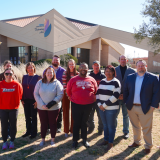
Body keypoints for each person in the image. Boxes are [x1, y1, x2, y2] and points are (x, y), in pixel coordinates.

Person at [123, 60, 160, 155]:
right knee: (135, 126)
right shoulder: (130, 77)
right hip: (132, 107)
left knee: (146, 128)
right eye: (139, 66)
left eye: (142, 65)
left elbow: (157, 93)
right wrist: (127, 103)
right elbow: (125, 91)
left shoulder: (153, 78)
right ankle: (137, 142)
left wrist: (153, 106)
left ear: (146, 66)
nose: (140, 67)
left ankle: (148, 146)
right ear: (136, 67)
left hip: (146, 107)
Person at [67, 63, 97, 149]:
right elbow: (68, 90)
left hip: (88, 105)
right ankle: (75, 140)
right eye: (81, 68)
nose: (83, 69)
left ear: (88, 69)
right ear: (78, 69)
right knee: (76, 123)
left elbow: (95, 90)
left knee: (85, 122)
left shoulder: (92, 79)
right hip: (76, 104)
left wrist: (91, 98)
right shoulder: (73, 79)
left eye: (85, 68)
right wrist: (72, 97)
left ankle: (84, 139)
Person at [34, 67, 63, 146]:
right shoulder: (40, 82)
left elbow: (60, 94)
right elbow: (36, 93)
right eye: (48, 72)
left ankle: (52, 140)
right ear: (45, 74)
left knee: (53, 123)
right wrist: (42, 104)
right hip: (41, 107)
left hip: (54, 108)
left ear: (53, 74)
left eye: (51, 72)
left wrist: (51, 104)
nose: (49, 74)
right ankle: (43, 140)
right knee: (43, 123)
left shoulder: (57, 83)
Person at [96, 65, 121, 152]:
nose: (108, 73)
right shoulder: (102, 81)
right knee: (105, 125)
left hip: (112, 109)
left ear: (113, 72)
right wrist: (99, 104)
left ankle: (110, 143)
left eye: (110, 71)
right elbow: (97, 93)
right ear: (104, 72)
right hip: (101, 108)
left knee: (111, 126)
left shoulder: (116, 82)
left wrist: (104, 105)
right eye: (106, 71)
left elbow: (116, 96)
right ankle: (105, 140)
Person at [0, 68, 23, 150]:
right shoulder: (0, 84)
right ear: (4, 75)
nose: (9, 75)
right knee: (4, 126)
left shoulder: (17, 85)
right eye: (7, 74)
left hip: (13, 109)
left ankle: (12, 141)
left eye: (10, 74)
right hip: (2, 109)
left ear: (13, 75)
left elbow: (20, 96)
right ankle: (5, 142)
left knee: (13, 125)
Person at [115, 55, 135, 139]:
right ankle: (113, 130)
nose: (123, 61)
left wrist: (126, 95)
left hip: (127, 97)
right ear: (119, 60)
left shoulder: (132, 71)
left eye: (124, 59)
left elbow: (134, 85)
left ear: (126, 60)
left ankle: (126, 131)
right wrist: (117, 94)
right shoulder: (114, 70)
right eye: (121, 59)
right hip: (115, 97)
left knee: (126, 115)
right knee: (114, 115)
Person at [43, 55, 65, 133]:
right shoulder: (46, 70)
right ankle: (48, 126)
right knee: (48, 110)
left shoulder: (63, 71)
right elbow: (44, 81)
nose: (55, 61)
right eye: (54, 60)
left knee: (59, 110)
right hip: (48, 94)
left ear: (59, 62)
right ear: (52, 61)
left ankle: (58, 127)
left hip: (59, 94)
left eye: (57, 60)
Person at [21, 62, 41, 139]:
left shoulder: (38, 77)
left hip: (34, 100)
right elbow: (22, 89)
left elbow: (40, 90)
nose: (30, 69)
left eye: (31, 67)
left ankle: (34, 132)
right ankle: (28, 131)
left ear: (34, 68)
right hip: (25, 100)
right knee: (27, 116)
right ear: (26, 69)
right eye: (28, 67)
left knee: (33, 116)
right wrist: (22, 99)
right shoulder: (24, 77)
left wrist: (37, 101)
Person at [87, 60, 105, 135]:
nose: (96, 67)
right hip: (91, 99)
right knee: (90, 115)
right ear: (92, 66)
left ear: (99, 66)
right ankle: (91, 128)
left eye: (97, 65)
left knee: (100, 115)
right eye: (95, 65)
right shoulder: (89, 76)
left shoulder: (103, 76)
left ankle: (100, 129)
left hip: (100, 99)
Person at [62, 59, 78, 138]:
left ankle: (72, 130)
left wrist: (72, 95)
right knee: (65, 112)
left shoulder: (77, 74)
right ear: (68, 65)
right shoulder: (65, 73)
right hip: (66, 94)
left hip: (75, 95)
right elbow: (64, 85)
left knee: (74, 113)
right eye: (69, 64)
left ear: (74, 65)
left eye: (72, 64)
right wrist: (68, 95)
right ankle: (66, 130)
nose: (71, 66)